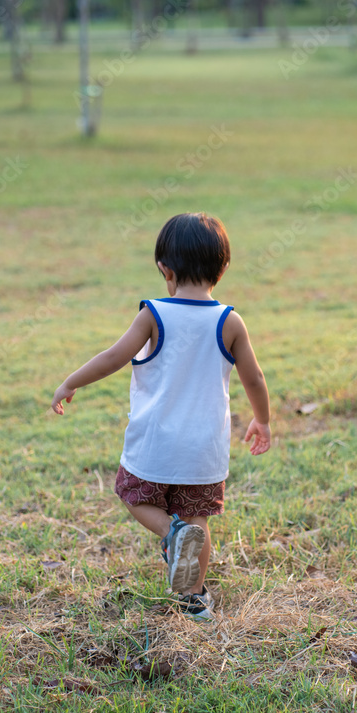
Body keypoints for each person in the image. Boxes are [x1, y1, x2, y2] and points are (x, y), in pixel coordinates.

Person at [51, 212, 271, 620]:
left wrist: (71, 381)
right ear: (222, 269)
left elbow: (114, 357)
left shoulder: (153, 314)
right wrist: (263, 420)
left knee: (133, 495)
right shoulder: (230, 321)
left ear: (164, 269)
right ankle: (195, 600)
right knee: (197, 518)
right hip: (204, 450)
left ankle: (170, 532)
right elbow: (254, 377)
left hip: (155, 444)